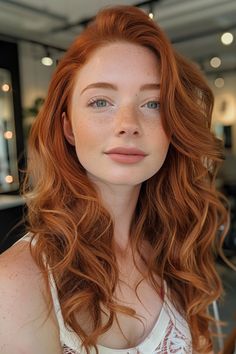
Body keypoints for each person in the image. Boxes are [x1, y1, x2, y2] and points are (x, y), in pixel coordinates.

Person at [0, 5, 229, 354]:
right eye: (101, 101)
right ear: (67, 126)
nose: (128, 123)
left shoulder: (175, 248)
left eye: (153, 104)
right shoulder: (19, 283)